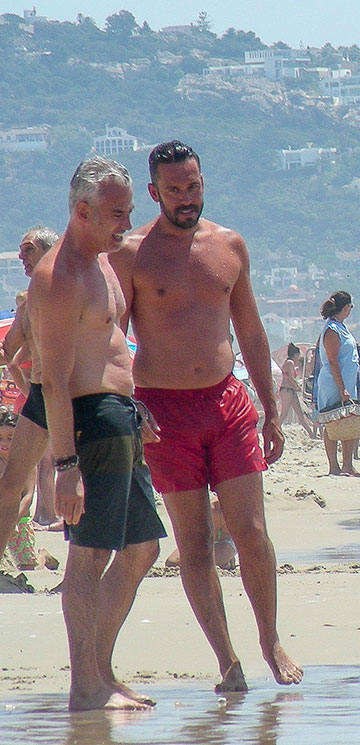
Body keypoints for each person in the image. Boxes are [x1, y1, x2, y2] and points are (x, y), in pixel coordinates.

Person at [110, 141, 301, 692]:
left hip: (228, 402)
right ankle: (227, 660)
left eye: (193, 186)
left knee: (251, 531)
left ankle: (269, 640)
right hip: (163, 412)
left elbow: (253, 333)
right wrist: (130, 402)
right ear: (154, 193)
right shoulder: (132, 253)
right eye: (174, 190)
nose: (186, 198)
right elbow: (113, 336)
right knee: (193, 543)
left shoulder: (229, 246)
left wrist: (269, 409)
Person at [28, 157, 166, 710]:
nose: (126, 225)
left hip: (120, 417)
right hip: (88, 423)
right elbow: (55, 382)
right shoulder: (58, 277)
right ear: (82, 212)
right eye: (116, 214)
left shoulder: (103, 264)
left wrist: (136, 407)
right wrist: (65, 467)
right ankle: (85, 683)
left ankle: (100, 670)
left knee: (142, 549)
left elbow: (110, 351)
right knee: (90, 553)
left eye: (130, 212)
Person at [0, 226, 60, 563]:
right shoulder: (27, 299)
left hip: (72, 394)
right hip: (40, 394)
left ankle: (82, 571)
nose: (21, 257)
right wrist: (25, 389)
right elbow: (10, 354)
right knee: (13, 480)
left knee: (77, 480)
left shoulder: (70, 288)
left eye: (28, 250)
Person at [0, 408, 58, 571]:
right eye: (0, 438)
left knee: (27, 566)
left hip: (20, 521)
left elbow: (28, 496)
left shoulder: (26, 462)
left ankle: (42, 556)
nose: (4, 444)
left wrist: (12, 521)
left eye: (10, 438)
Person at [316, 290, 360, 477]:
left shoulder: (341, 327)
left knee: (350, 420)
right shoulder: (331, 330)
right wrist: (342, 388)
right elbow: (333, 361)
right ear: (346, 308)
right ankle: (334, 466)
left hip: (347, 382)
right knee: (333, 422)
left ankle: (348, 465)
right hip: (334, 383)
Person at [165, 495, 237, 570]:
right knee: (172, 563)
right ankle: (226, 560)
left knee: (212, 563)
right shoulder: (209, 508)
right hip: (202, 539)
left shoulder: (241, 508)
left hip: (229, 541)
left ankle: (227, 559)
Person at [278, 342, 315, 438]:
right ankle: (276, 430)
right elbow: (290, 379)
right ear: (295, 355)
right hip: (287, 390)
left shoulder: (290, 363)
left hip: (290, 390)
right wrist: (298, 387)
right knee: (284, 413)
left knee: (300, 414)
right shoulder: (290, 363)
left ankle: (311, 434)